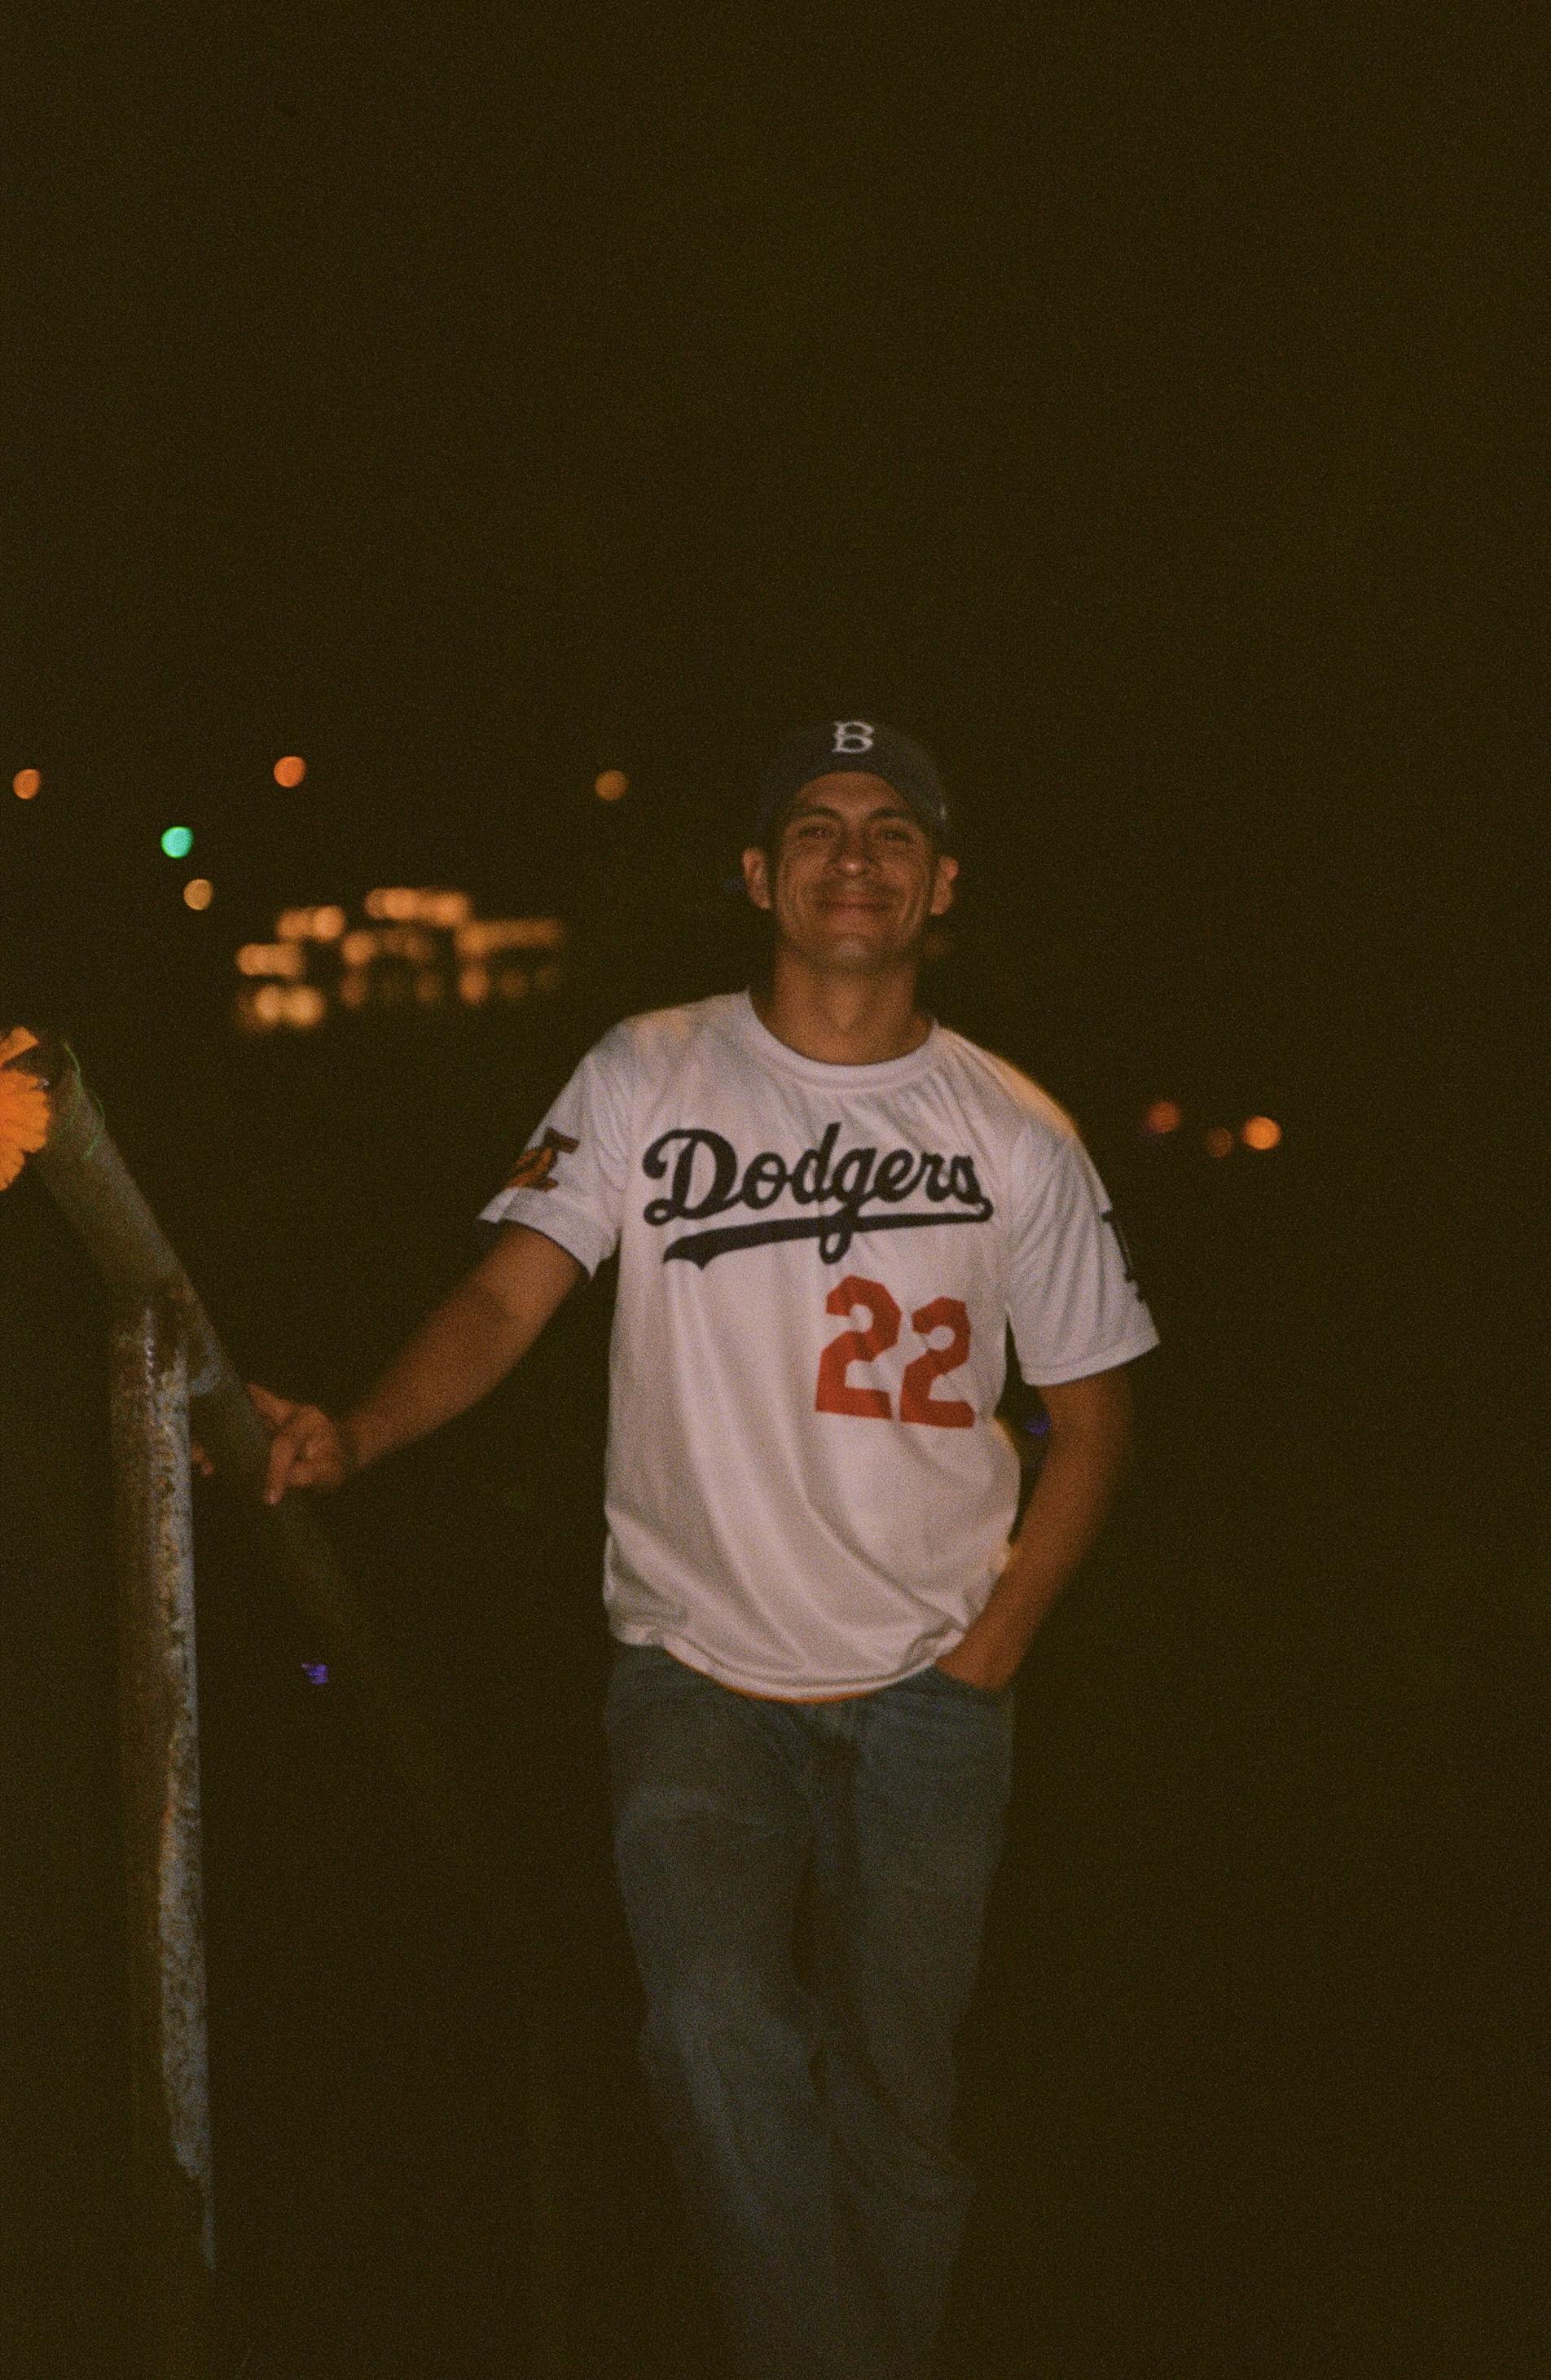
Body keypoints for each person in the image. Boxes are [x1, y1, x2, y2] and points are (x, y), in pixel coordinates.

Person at [245, 719, 1159, 2380]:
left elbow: (1093, 1417)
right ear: (758, 873)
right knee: (713, 2029)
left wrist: (997, 1639)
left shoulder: (1015, 1128)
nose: (854, 856)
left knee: (901, 2106)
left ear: (941, 881)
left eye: (893, 830)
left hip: (935, 1689)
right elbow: (506, 1292)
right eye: (815, 827)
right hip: (696, 1675)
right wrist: (359, 1432)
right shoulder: (646, 1069)